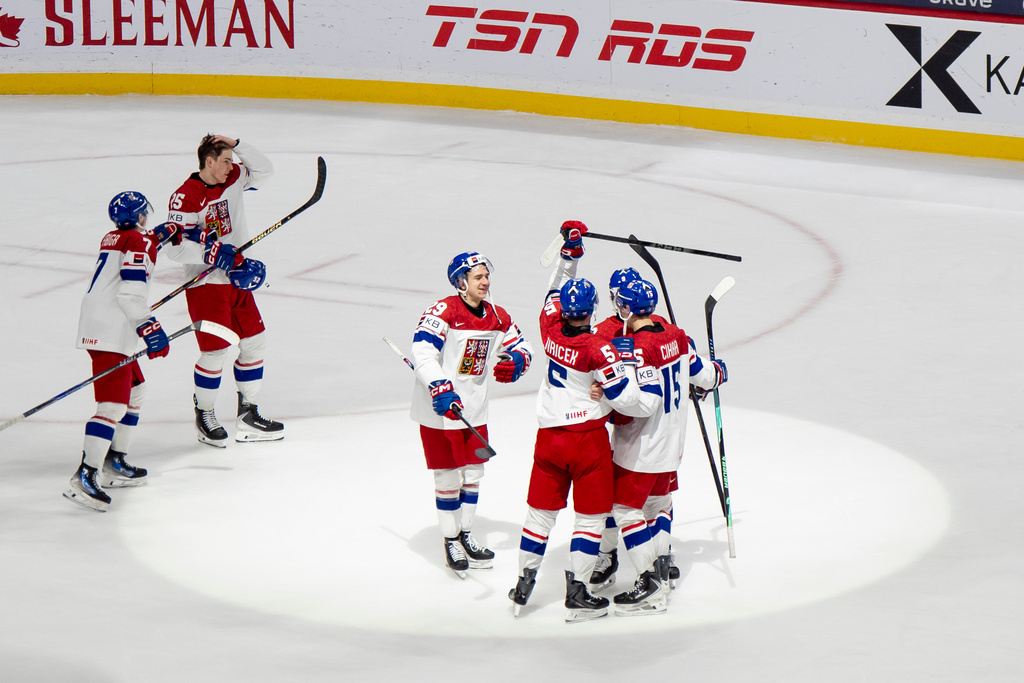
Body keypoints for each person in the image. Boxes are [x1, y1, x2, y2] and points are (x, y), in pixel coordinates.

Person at [508, 221, 641, 623]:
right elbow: (629, 400)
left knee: (539, 514)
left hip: (548, 440)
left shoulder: (549, 328)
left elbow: (555, 287)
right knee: (589, 519)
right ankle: (578, 591)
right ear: (593, 311)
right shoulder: (598, 348)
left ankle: (523, 581)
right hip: (587, 443)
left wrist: (572, 252)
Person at [599, 277, 727, 615]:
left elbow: (642, 402)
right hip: (673, 445)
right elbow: (705, 377)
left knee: (625, 510)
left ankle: (648, 582)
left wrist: (610, 400)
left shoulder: (637, 347)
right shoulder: (677, 335)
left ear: (626, 307)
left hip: (640, 447)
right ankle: (661, 567)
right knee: (659, 506)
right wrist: (719, 372)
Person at [410, 252, 533, 577]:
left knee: (474, 474)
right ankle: (451, 539)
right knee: (448, 477)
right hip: (439, 411)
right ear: (461, 282)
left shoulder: (496, 315)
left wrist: (518, 361)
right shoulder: (444, 311)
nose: (486, 282)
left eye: (486, 276)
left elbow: (523, 345)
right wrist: (438, 384)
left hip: (474, 410)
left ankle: (466, 533)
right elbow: (422, 349)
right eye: (478, 277)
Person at [162, 134, 281, 448]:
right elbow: (174, 250)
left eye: (233, 160)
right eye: (226, 160)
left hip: (236, 279)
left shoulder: (234, 180)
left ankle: (248, 415)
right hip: (206, 286)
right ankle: (205, 415)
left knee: (255, 342)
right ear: (209, 161)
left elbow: (266, 171)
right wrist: (210, 255)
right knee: (215, 352)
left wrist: (238, 143)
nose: (232, 166)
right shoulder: (185, 197)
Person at [64, 191, 171, 511]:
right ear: (140, 216)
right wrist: (149, 327)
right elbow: (130, 294)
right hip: (113, 329)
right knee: (111, 406)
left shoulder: (113, 237)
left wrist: (166, 233)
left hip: (99, 324)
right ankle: (85, 475)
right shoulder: (141, 243)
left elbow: (141, 243)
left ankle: (115, 461)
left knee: (135, 393)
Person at [589, 267, 671, 591]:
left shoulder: (657, 329)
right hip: (630, 429)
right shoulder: (606, 331)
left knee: (647, 501)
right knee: (635, 501)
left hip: (646, 429)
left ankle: (657, 562)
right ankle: (614, 557)